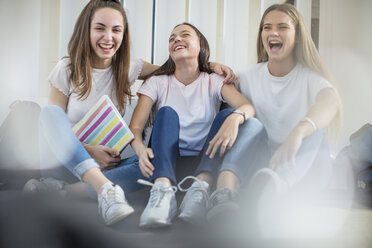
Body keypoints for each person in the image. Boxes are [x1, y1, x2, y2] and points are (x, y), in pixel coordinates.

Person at [23, 0, 237, 226]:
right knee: (50, 113)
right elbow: (54, 126)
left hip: (107, 167)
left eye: (116, 30)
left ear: (123, 35)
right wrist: (89, 151)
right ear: (86, 30)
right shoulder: (67, 69)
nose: (108, 37)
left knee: (148, 164)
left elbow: (177, 68)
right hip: (66, 164)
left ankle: (63, 192)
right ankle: (104, 190)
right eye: (100, 28)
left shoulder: (128, 69)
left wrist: (209, 64)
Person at [129, 22, 257, 228]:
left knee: (227, 114)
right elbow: (135, 128)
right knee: (167, 113)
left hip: (202, 165)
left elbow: (247, 106)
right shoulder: (157, 82)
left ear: (200, 46)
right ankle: (163, 193)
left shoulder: (213, 80)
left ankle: (200, 189)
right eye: (172, 38)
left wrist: (235, 118)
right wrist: (140, 149)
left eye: (184, 35)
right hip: (166, 165)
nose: (176, 39)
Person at [237, 3, 342, 200]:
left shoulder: (309, 78)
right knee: (246, 123)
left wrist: (299, 133)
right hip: (265, 165)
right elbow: (213, 84)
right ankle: (271, 187)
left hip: (306, 167)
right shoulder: (247, 76)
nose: (273, 32)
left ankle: (281, 185)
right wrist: (212, 65)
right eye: (267, 28)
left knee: (315, 129)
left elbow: (331, 101)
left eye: (282, 27)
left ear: (297, 36)